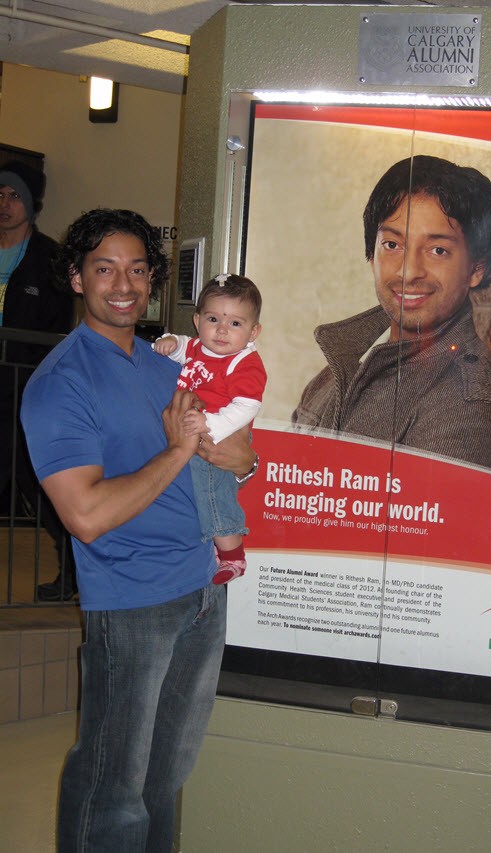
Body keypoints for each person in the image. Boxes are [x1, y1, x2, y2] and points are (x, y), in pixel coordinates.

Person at [20, 208, 258, 852]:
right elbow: (87, 516)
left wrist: (236, 453)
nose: (122, 285)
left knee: (166, 778)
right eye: (104, 269)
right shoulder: (61, 384)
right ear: (75, 279)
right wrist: (181, 450)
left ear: (153, 280)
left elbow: (239, 454)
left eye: (136, 269)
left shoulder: (168, 364)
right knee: (112, 784)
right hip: (131, 603)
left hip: (202, 588)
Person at [292, 154, 491, 478]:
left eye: (438, 250)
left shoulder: (470, 413)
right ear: (371, 255)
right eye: (392, 244)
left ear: (477, 268)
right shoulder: (339, 370)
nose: (408, 271)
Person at [155, 273, 266, 584]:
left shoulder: (244, 363)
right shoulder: (198, 348)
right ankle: (216, 548)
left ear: (253, 331)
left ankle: (233, 555)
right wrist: (169, 343)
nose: (221, 330)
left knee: (213, 492)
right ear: (197, 320)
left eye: (235, 324)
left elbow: (247, 406)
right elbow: (183, 347)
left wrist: (211, 424)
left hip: (221, 436)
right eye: (213, 318)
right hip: (196, 433)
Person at [0, 159, 76, 600]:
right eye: (1, 196)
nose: (6, 204)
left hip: (27, 387)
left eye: (15, 196)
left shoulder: (50, 259)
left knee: (37, 480)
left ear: (32, 204)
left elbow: (55, 329)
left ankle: (73, 570)